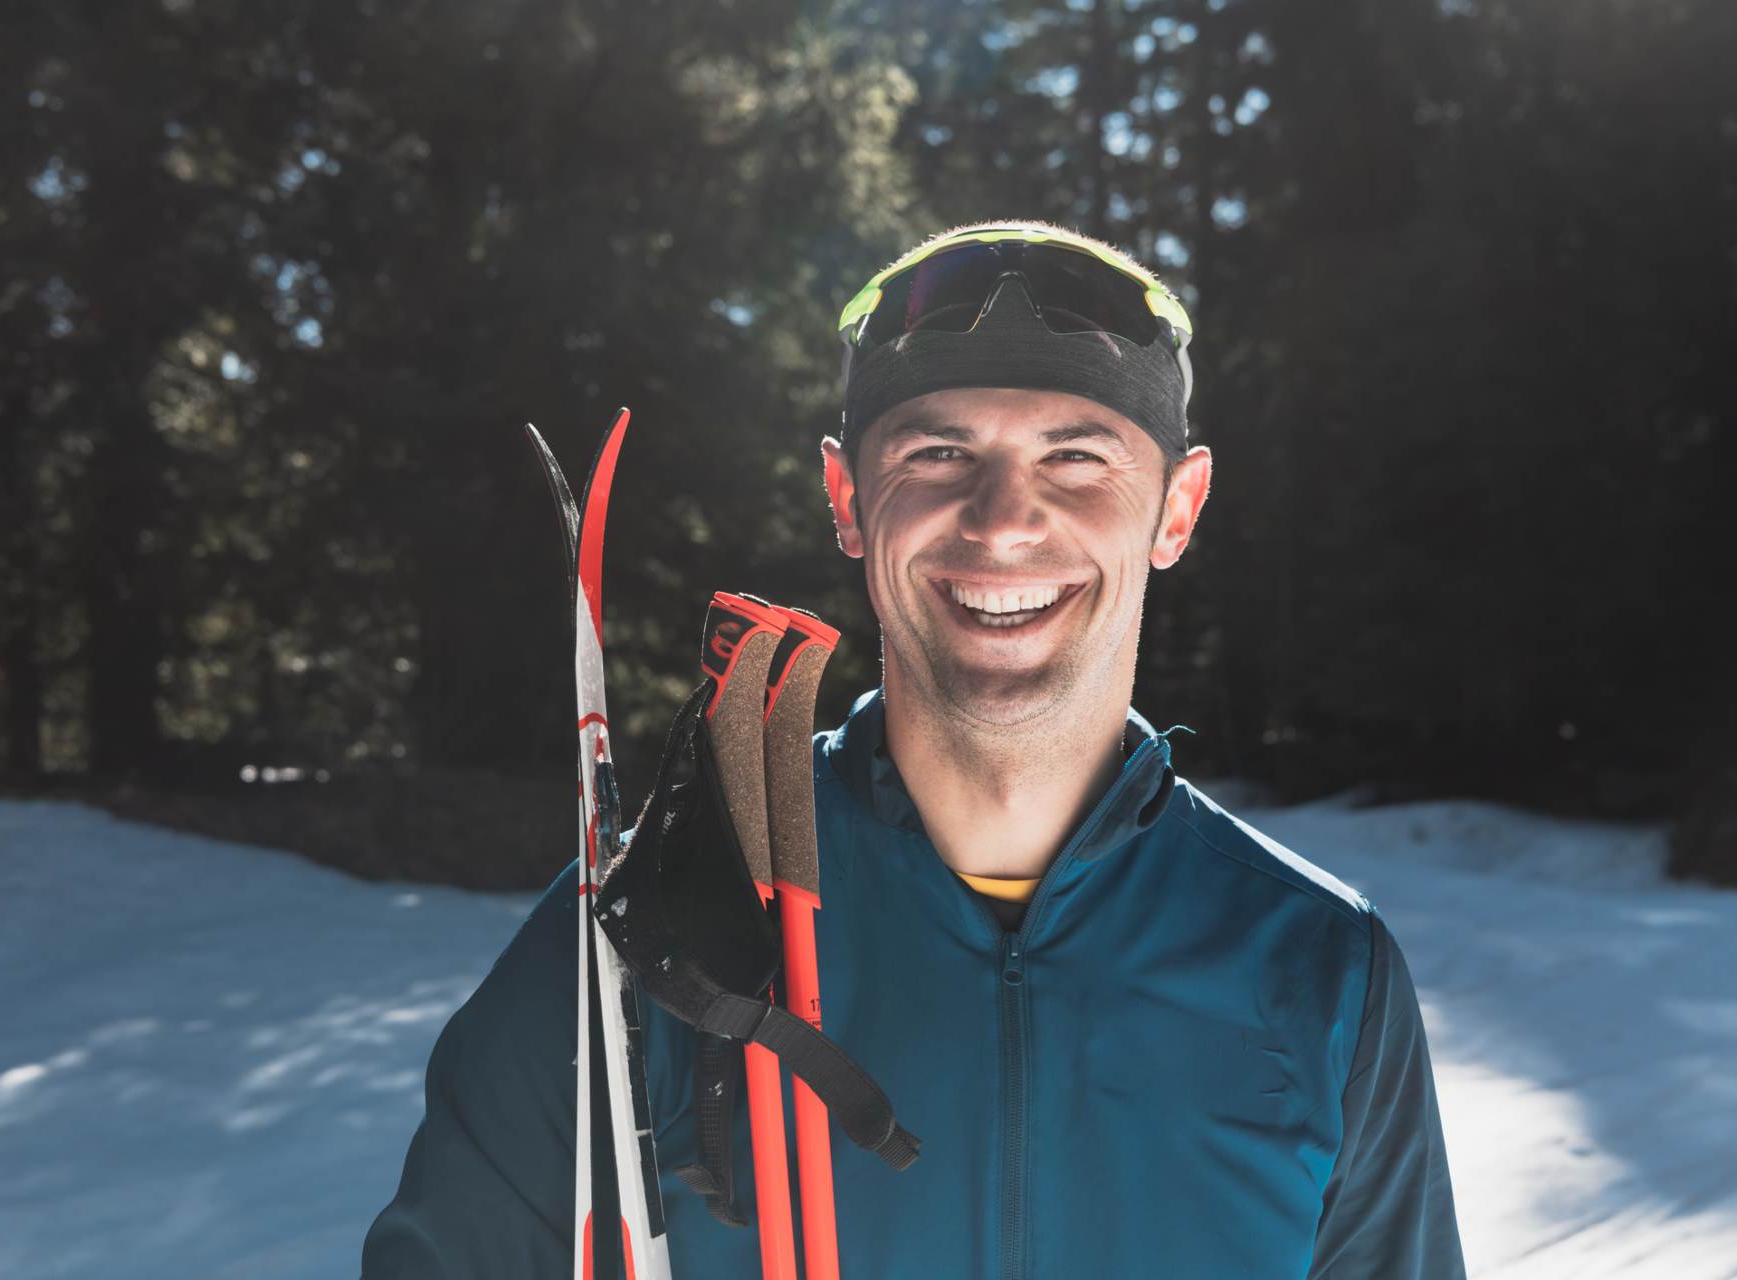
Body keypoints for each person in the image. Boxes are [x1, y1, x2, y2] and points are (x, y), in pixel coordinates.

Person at [362, 220, 1465, 1278]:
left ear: (1178, 509)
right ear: (848, 495)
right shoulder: (648, 924)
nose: (1000, 521)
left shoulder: (1320, 971)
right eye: (939, 450)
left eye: (1078, 457)